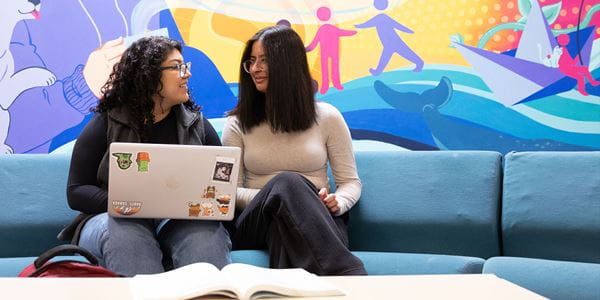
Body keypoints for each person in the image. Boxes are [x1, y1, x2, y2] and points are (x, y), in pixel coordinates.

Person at [65, 36, 231, 276]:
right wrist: (131, 204)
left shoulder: (198, 125)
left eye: (186, 66)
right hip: (112, 220)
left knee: (203, 233)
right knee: (126, 232)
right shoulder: (107, 123)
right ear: (148, 75)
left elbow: (221, 188)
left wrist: (210, 203)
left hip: (176, 221)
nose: (187, 74)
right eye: (177, 67)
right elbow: (76, 190)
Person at [222, 26, 367, 276]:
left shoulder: (328, 117)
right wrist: (273, 194)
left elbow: (350, 182)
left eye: (264, 61)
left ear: (287, 65)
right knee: (287, 182)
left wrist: (339, 202)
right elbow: (227, 192)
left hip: (317, 218)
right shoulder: (237, 123)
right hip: (254, 221)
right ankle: (349, 276)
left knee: (284, 228)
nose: (255, 69)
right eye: (252, 61)